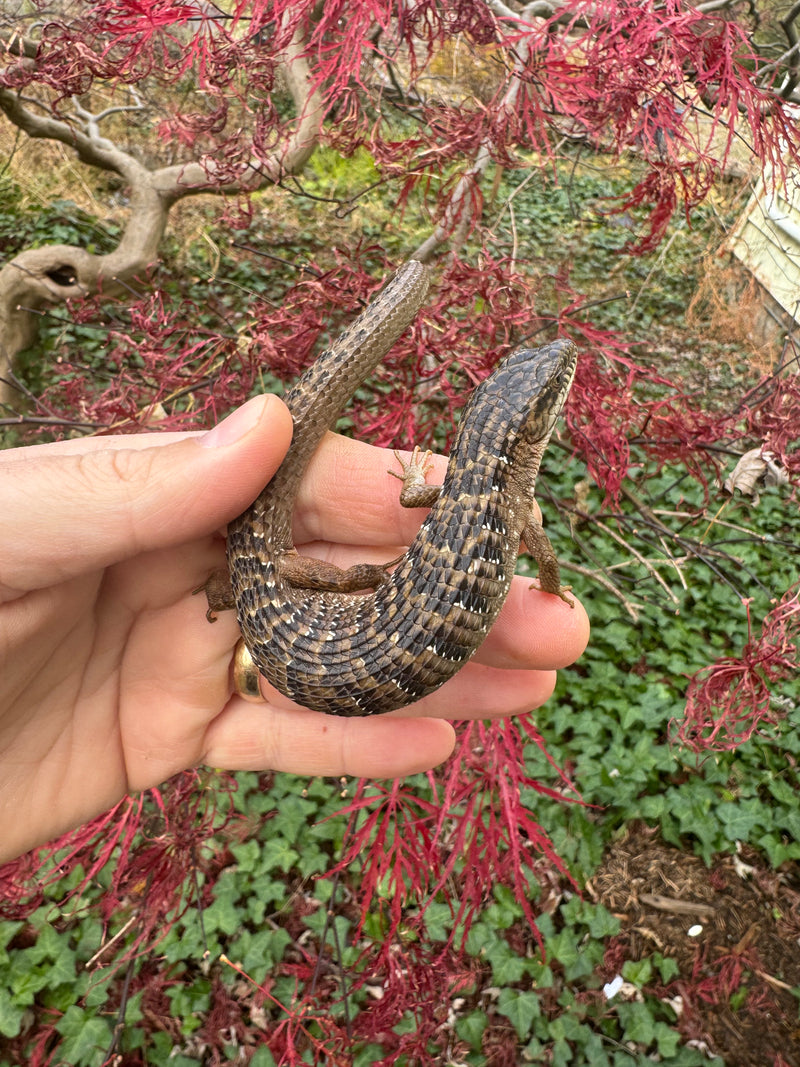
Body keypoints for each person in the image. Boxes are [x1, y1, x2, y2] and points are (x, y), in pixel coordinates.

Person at [0, 394, 590, 863]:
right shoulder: (509, 514)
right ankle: (237, 582)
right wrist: (550, 585)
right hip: (303, 643)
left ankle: (236, 582)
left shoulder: (456, 495)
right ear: (526, 437)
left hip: (300, 640)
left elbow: (416, 495)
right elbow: (542, 554)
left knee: (358, 574)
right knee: (356, 575)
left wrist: (409, 493)